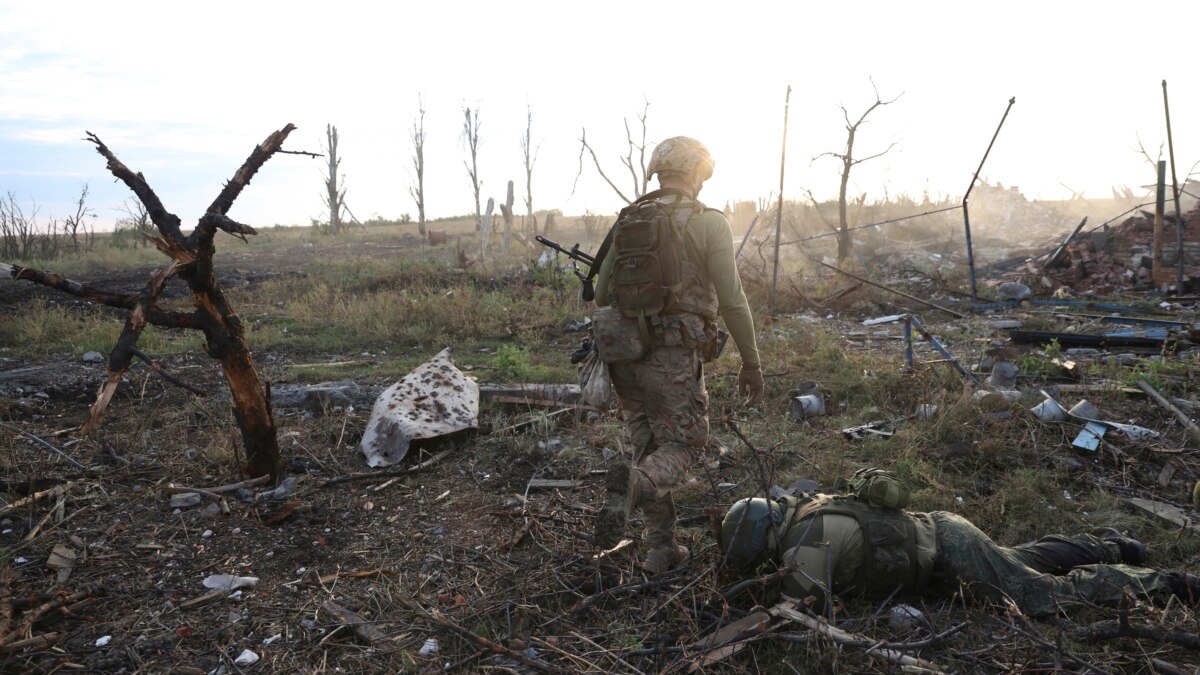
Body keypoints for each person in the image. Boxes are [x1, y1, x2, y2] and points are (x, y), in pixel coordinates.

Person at [590, 136, 763, 574]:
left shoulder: (631, 219)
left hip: (622, 354)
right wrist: (752, 362)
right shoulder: (708, 222)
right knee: (686, 441)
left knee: (649, 443)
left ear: (659, 172)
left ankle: (661, 549)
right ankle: (633, 487)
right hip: (671, 353)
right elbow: (732, 299)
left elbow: (600, 293)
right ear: (697, 173)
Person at [720, 488, 1199, 618]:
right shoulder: (806, 506)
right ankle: (1113, 545)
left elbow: (808, 607)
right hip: (944, 540)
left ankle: (1171, 584)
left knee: (1038, 597)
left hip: (948, 555)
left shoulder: (802, 548)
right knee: (1019, 559)